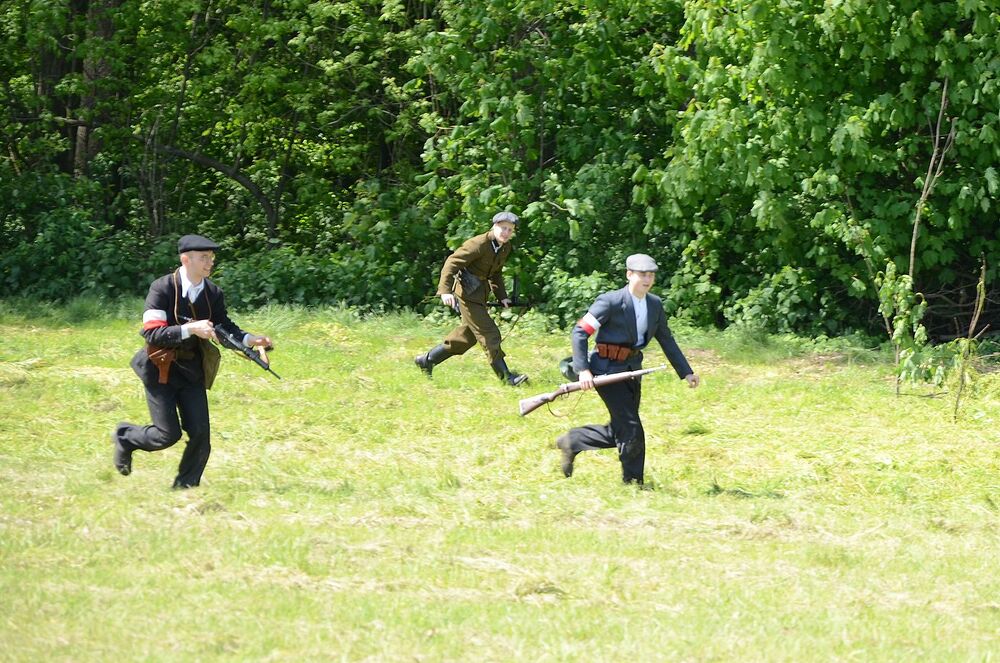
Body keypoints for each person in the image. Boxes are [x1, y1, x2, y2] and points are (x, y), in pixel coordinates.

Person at [111, 234, 274, 489]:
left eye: (211, 257)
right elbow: (151, 333)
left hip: (192, 371)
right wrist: (191, 329)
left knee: (200, 435)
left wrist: (250, 339)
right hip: (159, 369)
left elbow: (224, 327)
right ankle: (126, 437)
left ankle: (186, 487)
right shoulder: (162, 288)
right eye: (204, 258)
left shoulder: (213, 293)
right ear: (185, 260)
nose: (210, 263)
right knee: (167, 435)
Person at [555, 253, 699, 485]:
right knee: (632, 428)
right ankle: (633, 483)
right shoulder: (610, 302)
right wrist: (583, 370)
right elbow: (580, 332)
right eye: (642, 274)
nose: (647, 279)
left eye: (651, 275)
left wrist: (686, 371)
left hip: (632, 371)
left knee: (621, 428)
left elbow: (666, 339)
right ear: (629, 274)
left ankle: (573, 441)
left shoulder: (655, 304)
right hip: (606, 371)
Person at [414, 211, 528, 386]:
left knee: (466, 337)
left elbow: (495, 273)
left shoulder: (505, 247)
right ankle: (507, 378)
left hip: (480, 294)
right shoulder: (479, 244)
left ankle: (427, 360)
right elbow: (452, 262)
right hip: (466, 294)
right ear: (494, 226)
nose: (506, 233)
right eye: (503, 228)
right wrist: (445, 291)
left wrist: (502, 297)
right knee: (489, 333)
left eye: (510, 230)